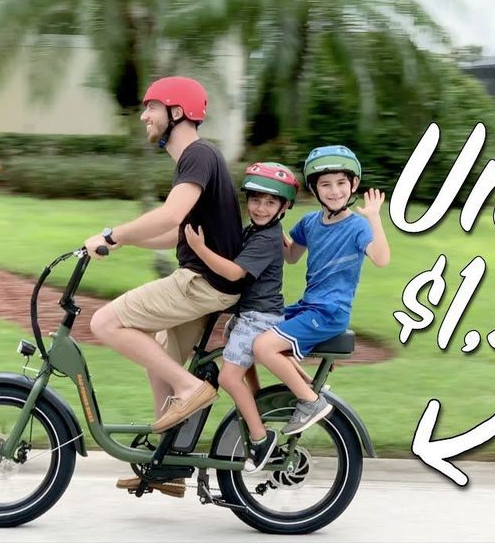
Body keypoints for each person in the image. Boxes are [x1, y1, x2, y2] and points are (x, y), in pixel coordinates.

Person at [82, 76, 243, 439]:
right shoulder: (200, 158)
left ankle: (190, 388)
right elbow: (179, 231)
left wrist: (113, 233)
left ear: (178, 112)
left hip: (201, 282)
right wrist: (125, 243)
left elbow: (171, 215)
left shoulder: (198, 155)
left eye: (152, 107)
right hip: (212, 283)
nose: (144, 116)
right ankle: (166, 452)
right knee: (159, 355)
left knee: (104, 322)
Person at [252, 145, 390, 436]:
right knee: (254, 327)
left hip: (329, 313)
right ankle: (307, 386)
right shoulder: (310, 223)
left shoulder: (357, 227)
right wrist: (270, 220)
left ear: (353, 184)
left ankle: (310, 402)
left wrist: (374, 217)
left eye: (341, 183)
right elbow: (291, 256)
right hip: (309, 306)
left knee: (264, 347)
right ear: (315, 189)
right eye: (325, 184)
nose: (334, 191)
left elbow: (381, 259)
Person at [183, 162, 302, 473]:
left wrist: (199, 248)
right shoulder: (262, 231)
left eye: (270, 202)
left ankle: (261, 439)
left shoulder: (265, 238)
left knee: (228, 377)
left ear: (284, 207)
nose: (260, 208)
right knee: (239, 361)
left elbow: (235, 273)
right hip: (251, 314)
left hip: (258, 317)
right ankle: (257, 405)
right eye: (256, 200)